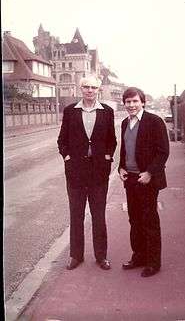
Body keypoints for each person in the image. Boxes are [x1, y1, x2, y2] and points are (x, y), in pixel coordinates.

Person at [57, 74, 117, 271]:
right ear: (80, 89)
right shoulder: (70, 111)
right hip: (75, 173)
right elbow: (62, 140)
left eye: (93, 87)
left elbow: (112, 140)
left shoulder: (106, 112)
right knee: (76, 214)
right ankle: (76, 255)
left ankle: (101, 256)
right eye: (86, 87)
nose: (90, 90)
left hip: (98, 172)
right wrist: (67, 157)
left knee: (98, 215)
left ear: (98, 90)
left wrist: (108, 157)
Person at [119, 87, 169, 277]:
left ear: (142, 102)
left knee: (149, 220)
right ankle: (138, 256)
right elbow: (125, 150)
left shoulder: (154, 121)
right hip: (130, 179)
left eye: (135, 101)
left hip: (147, 180)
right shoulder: (125, 123)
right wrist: (121, 168)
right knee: (134, 220)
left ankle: (153, 262)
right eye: (128, 102)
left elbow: (163, 151)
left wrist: (149, 172)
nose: (131, 105)